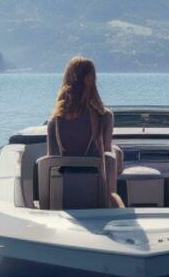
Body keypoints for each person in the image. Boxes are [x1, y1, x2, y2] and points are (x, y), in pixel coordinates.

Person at [47, 56, 124, 207]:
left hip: (64, 189)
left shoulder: (54, 120)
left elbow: (52, 157)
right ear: (91, 80)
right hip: (96, 187)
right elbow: (106, 151)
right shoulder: (104, 116)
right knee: (115, 155)